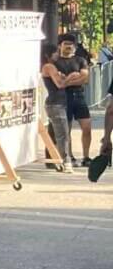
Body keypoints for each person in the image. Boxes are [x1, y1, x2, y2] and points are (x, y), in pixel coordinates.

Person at [56, 33, 93, 168]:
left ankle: (86, 157)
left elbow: (85, 78)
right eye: (66, 44)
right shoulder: (55, 62)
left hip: (79, 97)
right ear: (60, 46)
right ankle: (69, 156)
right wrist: (73, 77)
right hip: (63, 98)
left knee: (87, 127)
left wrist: (66, 80)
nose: (69, 47)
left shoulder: (80, 60)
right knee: (67, 130)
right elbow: (58, 81)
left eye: (71, 44)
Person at [41, 42, 72, 170]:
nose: (57, 55)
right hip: (56, 103)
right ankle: (65, 160)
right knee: (62, 133)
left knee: (54, 133)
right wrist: (71, 78)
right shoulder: (49, 67)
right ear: (48, 55)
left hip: (56, 103)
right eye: (55, 53)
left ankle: (52, 159)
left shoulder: (50, 67)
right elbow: (59, 84)